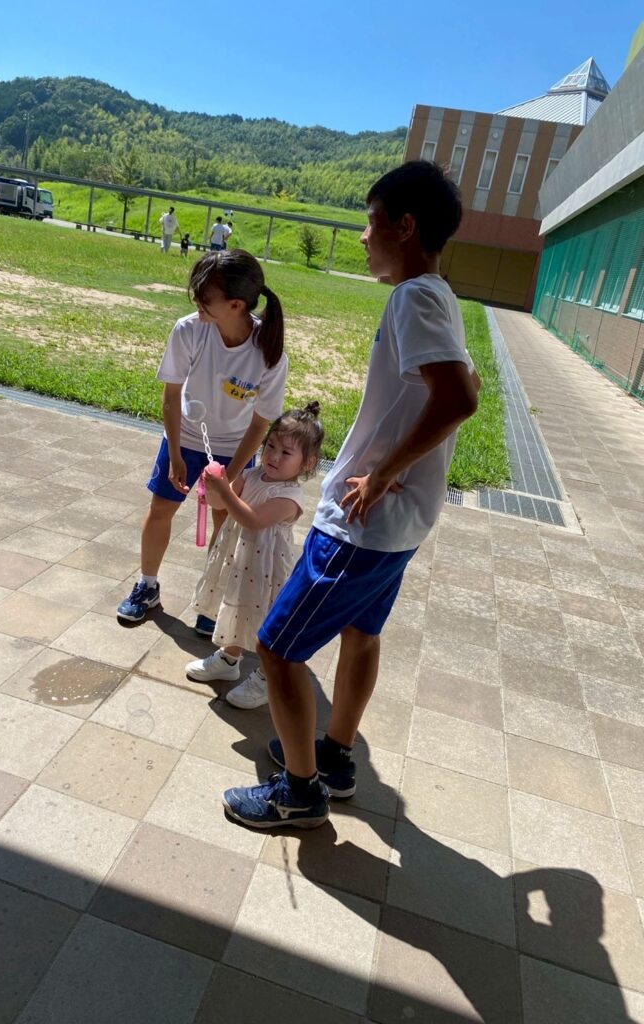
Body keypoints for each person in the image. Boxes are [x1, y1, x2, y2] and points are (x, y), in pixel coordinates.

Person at [222, 160, 481, 829]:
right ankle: (334, 757)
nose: (364, 236)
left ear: (405, 225)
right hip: (400, 524)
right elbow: (469, 385)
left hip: (363, 522)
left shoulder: (415, 298)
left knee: (278, 648)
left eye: (371, 222)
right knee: (362, 635)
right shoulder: (442, 296)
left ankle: (298, 791)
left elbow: (458, 399)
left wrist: (386, 469)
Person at [117, 249, 289, 635]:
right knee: (161, 508)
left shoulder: (269, 352)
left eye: (204, 295)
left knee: (224, 524)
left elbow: (260, 422)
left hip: (234, 449)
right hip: (185, 438)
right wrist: (176, 453)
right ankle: (147, 585)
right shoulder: (189, 329)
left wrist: (230, 477)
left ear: (236, 304)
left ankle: (213, 601)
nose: (196, 300)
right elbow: (171, 395)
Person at [186, 404, 324, 709]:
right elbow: (220, 504)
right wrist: (211, 487)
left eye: (286, 452)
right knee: (236, 605)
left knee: (264, 618)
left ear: (307, 463)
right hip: (238, 559)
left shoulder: (290, 497)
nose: (273, 456)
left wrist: (225, 490)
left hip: (266, 569)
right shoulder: (252, 475)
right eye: (270, 446)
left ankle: (266, 678)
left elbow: (252, 519)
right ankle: (228, 659)